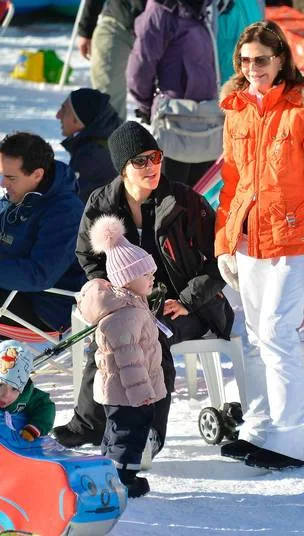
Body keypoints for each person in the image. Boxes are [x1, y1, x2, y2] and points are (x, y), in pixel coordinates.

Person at [215, 21, 304, 469]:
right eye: (245, 60)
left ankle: (291, 441)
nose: (253, 68)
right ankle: (259, 427)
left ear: (281, 60)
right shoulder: (236, 109)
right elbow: (230, 183)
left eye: (262, 60)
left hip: (295, 241)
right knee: (252, 339)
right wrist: (224, 243)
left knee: (275, 335)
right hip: (249, 241)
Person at [52, 120, 234, 451]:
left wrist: (187, 300)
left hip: (186, 306)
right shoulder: (103, 202)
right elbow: (87, 254)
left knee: (151, 337)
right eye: (141, 161)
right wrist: (110, 292)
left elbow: (221, 262)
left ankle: (150, 434)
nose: (152, 166)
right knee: (111, 332)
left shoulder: (184, 203)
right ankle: (90, 424)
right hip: (127, 301)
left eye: (156, 157)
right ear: (123, 168)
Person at [77, 215, 167, 497]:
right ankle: (122, 479)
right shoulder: (124, 316)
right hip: (128, 393)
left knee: (119, 432)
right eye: (145, 274)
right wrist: (142, 393)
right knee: (127, 435)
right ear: (126, 278)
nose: (152, 278)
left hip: (127, 391)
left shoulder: (132, 304)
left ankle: (112, 471)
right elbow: (129, 361)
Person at [127, 0, 219, 187]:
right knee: (169, 203)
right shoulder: (161, 10)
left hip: (207, 123)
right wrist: (148, 105)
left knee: (200, 201)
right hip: (173, 124)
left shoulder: (207, 8)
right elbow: (139, 69)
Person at [0, 132, 86, 333]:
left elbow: (40, 275)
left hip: (46, 307)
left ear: (38, 174)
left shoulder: (65, 211)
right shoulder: (19, 194)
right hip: (12, 288)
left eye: (11, 177)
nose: (4, 184)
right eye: (3, 175)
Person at [77, 0, 147, 121]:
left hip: (166, 27)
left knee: (169, 95)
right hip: (118, 22)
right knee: (107, 98)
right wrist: (86, 29)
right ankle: (111, 137)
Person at [57, 87, 122, 204]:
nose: (58, 115)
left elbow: (72, 205)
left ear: (78, 120)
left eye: (64, 110)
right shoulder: (107, 142)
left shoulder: (91, 157)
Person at [0, 340, 55, 440]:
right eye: (0, 385)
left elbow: (45, 406)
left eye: (15, 389)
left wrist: (35, 428)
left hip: (13, 440)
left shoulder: (26, 396)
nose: (6, 395)